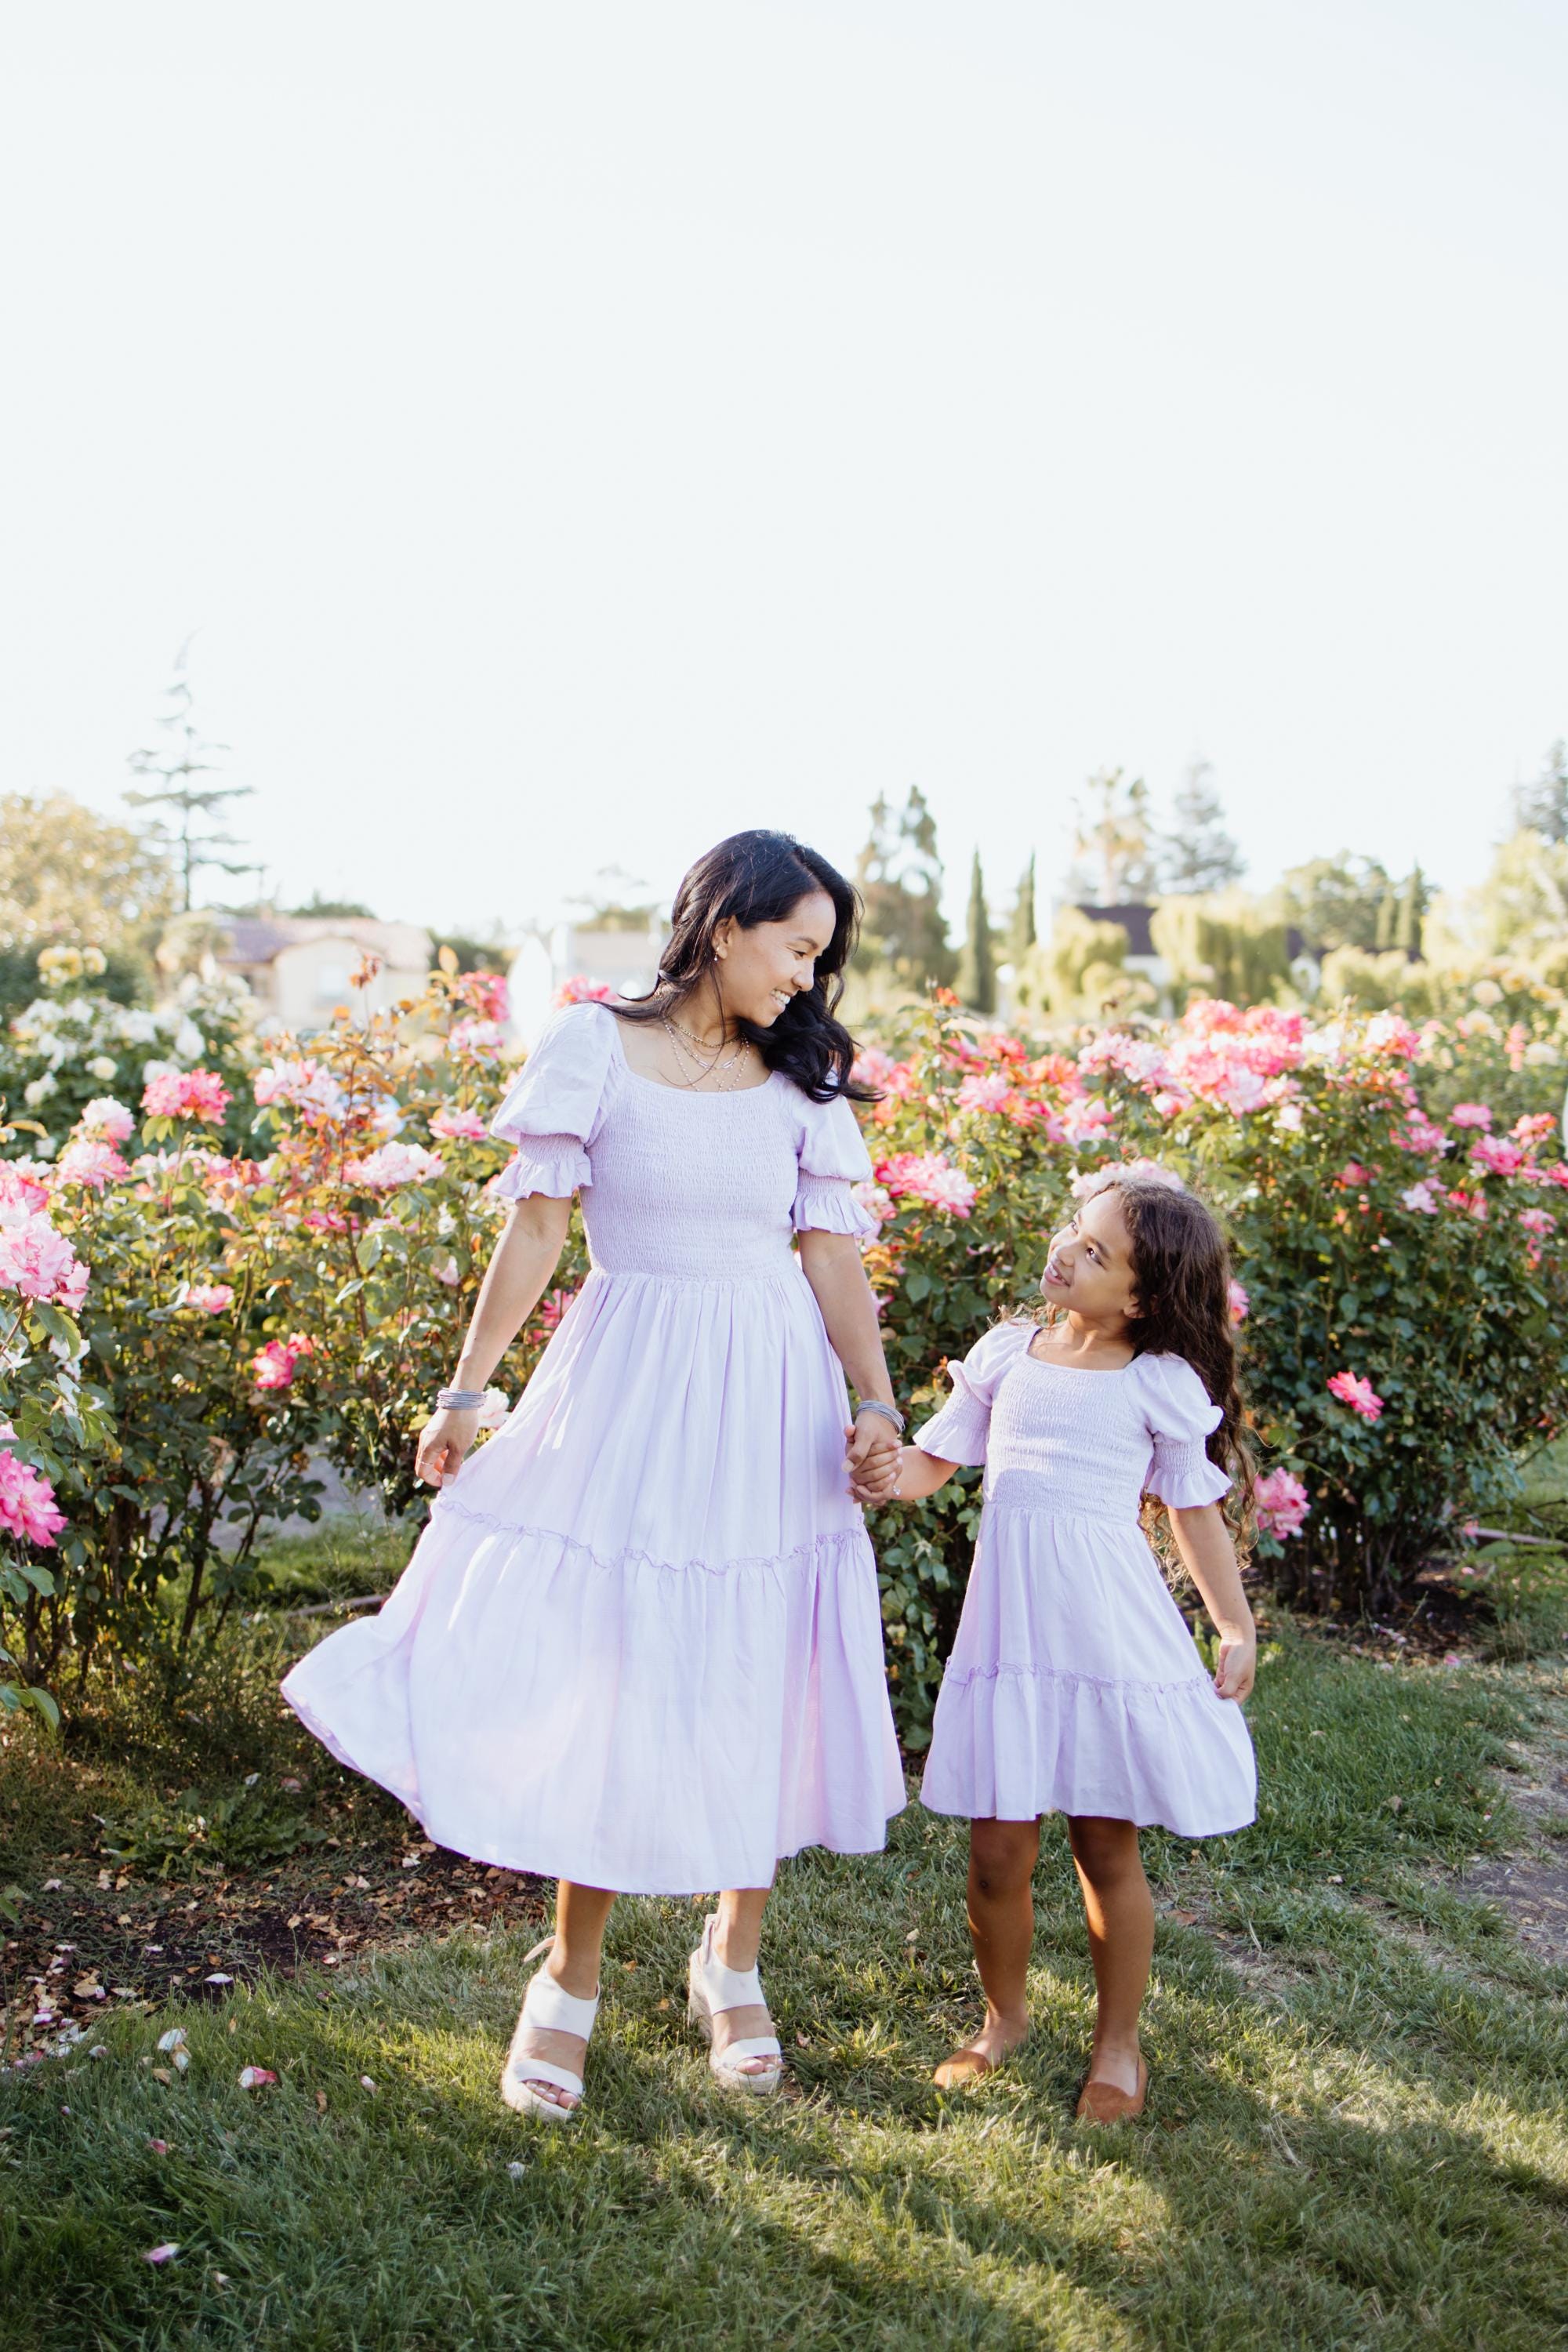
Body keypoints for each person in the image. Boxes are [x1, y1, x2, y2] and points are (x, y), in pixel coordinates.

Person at [282, 830, 906, 2121]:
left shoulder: (804, 1079)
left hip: (766, 1393)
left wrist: (877, 1406)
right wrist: (467, 1392)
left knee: (755, 1656)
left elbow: (833, 1257)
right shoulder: (590, 1046)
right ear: (726, 922)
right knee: (610, 1663)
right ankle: (565, 1981)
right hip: (626, 1382)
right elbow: (538, 1227)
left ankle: (730, 1960)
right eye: (798, 946)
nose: (808, 977)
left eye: (822, 959)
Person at [865, 1164, 1257, 2121]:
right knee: (995, 1855)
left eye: (1096, 1252)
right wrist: (880, 1471)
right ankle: (1004, 2020)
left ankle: (1116, 2048)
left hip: (1100, 1640)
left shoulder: (1154, 1383)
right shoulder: (1006, 1353)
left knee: (1102, 1848)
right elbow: (932, 1461)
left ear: (1143, 1294)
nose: (1066, 1254)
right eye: (1072, 1234)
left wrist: (1232, 1623)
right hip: (1010, 1640)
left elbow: (1192, 1513)